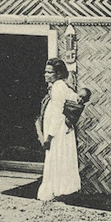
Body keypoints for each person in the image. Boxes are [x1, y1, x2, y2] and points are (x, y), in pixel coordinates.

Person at [36, 58, 81, 201]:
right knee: (60, 159)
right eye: (45, 72)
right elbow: (74, 97)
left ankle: (53, 192)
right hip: (61, 130)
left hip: (58, 131)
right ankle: (59, 191)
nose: (46, 75)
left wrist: (49, 137)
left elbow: (57, 114)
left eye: (50, 72)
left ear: (58, 73)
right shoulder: (61, 86)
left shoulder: (58, 87)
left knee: (56, 158)